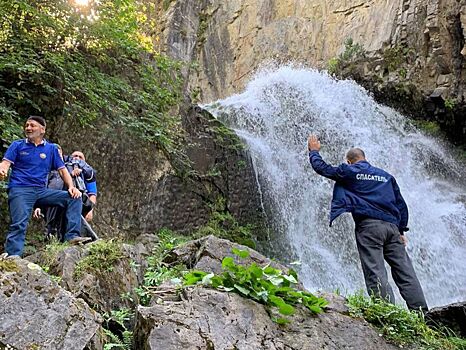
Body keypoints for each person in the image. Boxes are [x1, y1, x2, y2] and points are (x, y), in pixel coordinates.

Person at [307, 134, 428, 312]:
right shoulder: (386, 176)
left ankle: (386, 313)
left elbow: (322, 168)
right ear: (365, 158)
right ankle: (423, 314)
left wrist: (314, 152)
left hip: (369, 226)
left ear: (349, 161)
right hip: (392, 228)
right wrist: (401, 231)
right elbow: (401, 205)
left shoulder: (350, 171)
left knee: (375, 270)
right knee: (405, 271)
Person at [0, 116, 91, 257]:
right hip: (20, 189)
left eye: (32, 126)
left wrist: (72, 187)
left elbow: (62, 170)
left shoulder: (51, 149)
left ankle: (72, 237)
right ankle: (13, 256)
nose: (28, 128)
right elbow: (5, 163)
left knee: (74, 197)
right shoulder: (17, 145)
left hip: (41, 191)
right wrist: (3, 170)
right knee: (19, 224)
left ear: (42, 129)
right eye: (27, 125)